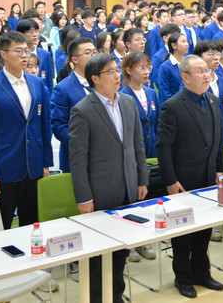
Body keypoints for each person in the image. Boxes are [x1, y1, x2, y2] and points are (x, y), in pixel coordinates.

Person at [69, 53, 148, 303]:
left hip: (128, 186)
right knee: (98, 254)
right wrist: (84, 197)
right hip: (99, 192)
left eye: (117, 70)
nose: (117, 76)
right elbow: (78, 160)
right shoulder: (82, 110)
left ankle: (115, 295)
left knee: (121, 249)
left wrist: (142, 179)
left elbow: (137, 145)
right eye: (110, 72)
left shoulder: (128, 102)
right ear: (95, 78)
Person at [155, 55, 223, 298]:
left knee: (205, 229)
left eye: (207, 70)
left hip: (209, 177)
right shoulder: (173, 105)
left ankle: (202, 273)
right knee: (183, 233)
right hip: (183, 180)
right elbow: (163, 147)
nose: (206, 75)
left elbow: (218, 139)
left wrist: (220, 170)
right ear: (185, 77)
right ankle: (183, 278)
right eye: (200, 71)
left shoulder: (213, 101)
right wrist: (170, 180)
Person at [0, 32, 53, 229]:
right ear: (3, 54)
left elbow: (44, 126)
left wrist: (46, 163)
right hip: (4, 169)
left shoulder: (37, 83)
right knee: (1, 226)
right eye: (18, 51)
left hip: (34, 166)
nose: (24, 55)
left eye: (26, 51)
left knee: (32, 223)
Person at [50, 37, 94, 173]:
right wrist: (81, 146)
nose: (93, 56)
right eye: (88, 53)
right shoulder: (63, 88)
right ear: (74, 59)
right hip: (77, 157)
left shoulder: (102, 82)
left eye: (94, 52)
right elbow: (58, 126)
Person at [121, 53, 159, 159]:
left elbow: (157, 123)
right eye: (141, 68)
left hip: (153, 149)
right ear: (129, 70)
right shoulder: (122, 96)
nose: (146, 72)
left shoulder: (152, 93)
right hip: (133, 152)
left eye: (148, 68)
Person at [17, 19, 55, 89]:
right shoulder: (17, 55)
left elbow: (49, 82)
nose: (35, 35)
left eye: (36, 31)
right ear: (21, 34)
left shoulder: (45, 54)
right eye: (31, 32)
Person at [157, 32, 189, 105]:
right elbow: (164, 92)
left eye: (187, 41)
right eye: (183, 41)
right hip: (173, 106)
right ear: (174, 45)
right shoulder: (165, 67)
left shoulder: (188, 63)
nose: (187, 44)